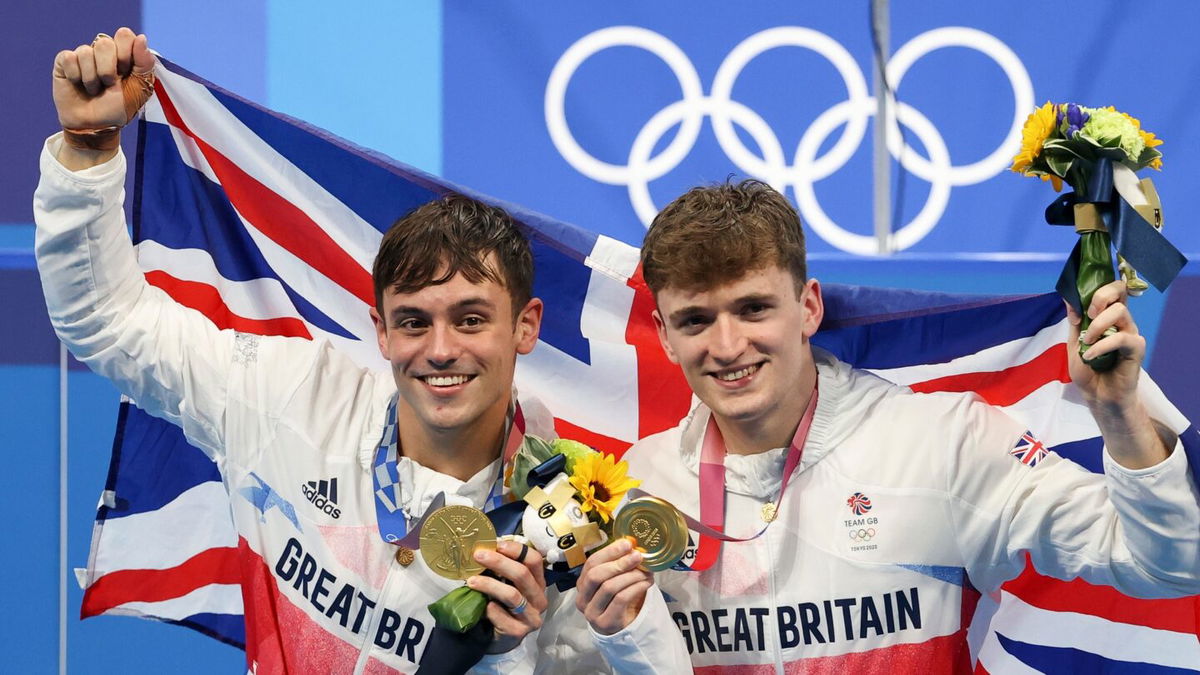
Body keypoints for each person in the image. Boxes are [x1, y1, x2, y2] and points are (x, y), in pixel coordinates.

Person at [37, 28, 561, 673]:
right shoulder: (287, 399)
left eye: (471, 319)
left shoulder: (568, 521)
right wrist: (88, 150)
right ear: (381, 331)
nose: (442, 349)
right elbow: (105, 320)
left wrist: (504, 657)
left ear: (526, 326)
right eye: (414, 322)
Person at [575, 179, 1200, 672]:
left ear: (808, 307)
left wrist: (1118, 415)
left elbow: (1168, 566)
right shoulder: (633, 492)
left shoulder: (941, 441)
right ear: (663, 336)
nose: (728, 344)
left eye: (753, 308)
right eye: (695, 321)